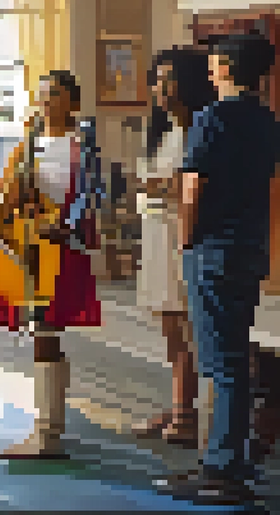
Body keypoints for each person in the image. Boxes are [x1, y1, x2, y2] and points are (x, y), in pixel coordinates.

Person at [157, 33, 280, 505]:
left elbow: (194, 187)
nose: (208, 70)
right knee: (236, 356)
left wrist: (186, 240)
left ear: (226, 67)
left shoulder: (213, 118)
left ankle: (224, 468)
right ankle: (232, 458)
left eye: (213, 63)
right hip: (248, 246)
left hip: (213, 248)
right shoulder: (267, 120)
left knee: (222, 362)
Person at [0, 70, 105, 462]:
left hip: (61, 243)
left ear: (72, 101)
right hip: (31, 242)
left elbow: (92, 191)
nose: (45, 101)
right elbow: (10, 189)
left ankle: (47, 433)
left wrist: (67, 225)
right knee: (42, 329)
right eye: (41, 94)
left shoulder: (82, 143)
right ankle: (48, 426)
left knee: (47, 328)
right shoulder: (31, 141)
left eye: (54, 94)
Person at [133, 47, 214, 448]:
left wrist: (164, 187)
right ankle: (180, 403)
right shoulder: (162, 131)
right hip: (156, 235)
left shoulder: (202, 127)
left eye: (169, 78)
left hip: (185, 236)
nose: (160, 88)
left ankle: (187, 412)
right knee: (169, 325)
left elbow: (197, 186)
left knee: (190, 324)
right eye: (157, 79)